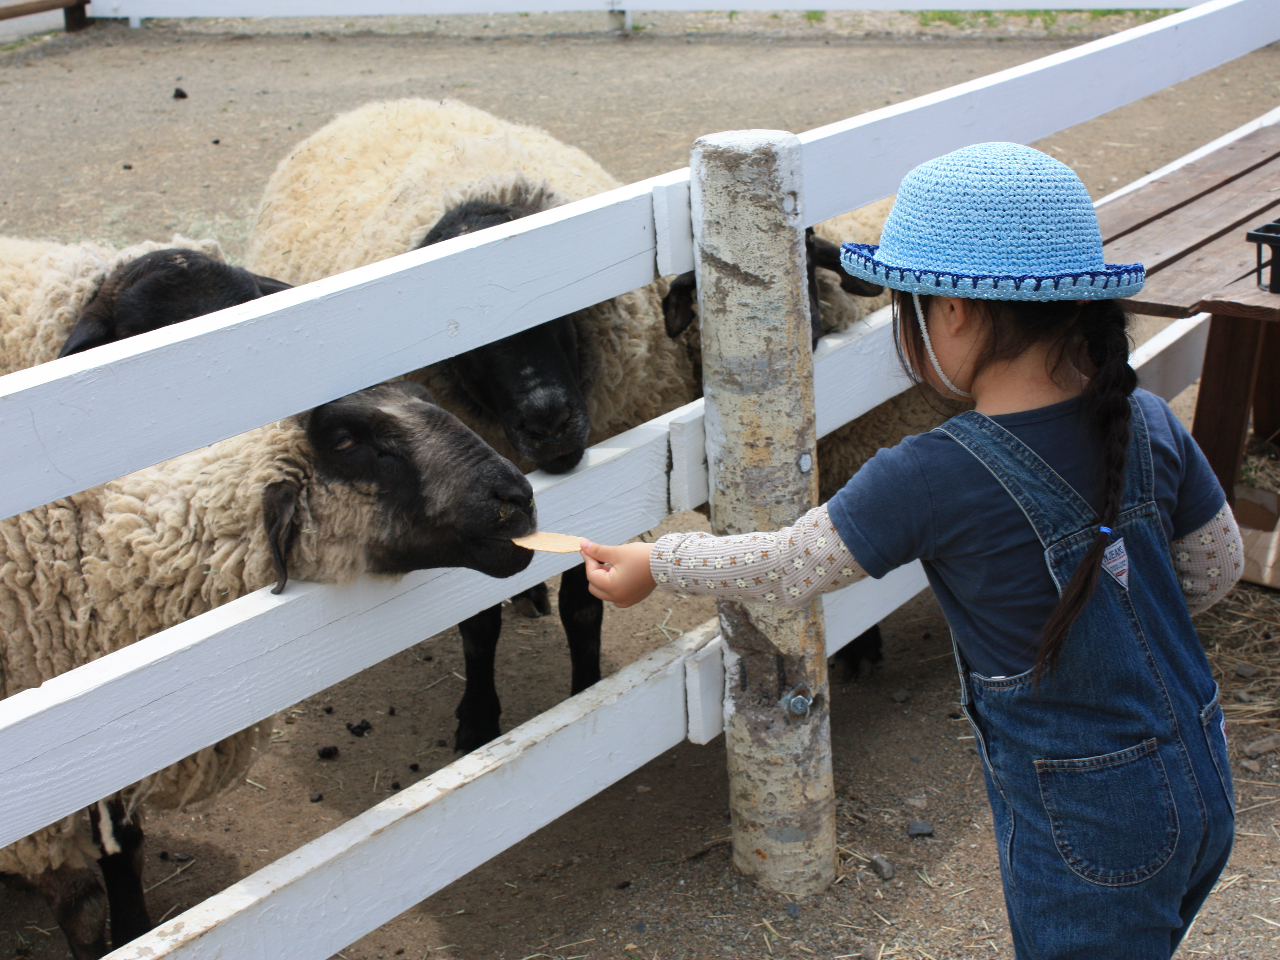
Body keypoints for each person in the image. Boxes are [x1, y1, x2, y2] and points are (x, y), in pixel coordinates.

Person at [579, 142, 1239, 959]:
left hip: (1092, 818)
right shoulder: (1145, 419)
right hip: (1203, 769)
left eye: (904, 306)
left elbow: (790, 565)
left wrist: (657, 563)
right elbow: (1215, 570)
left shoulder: (930, 473)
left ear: (952, 313)